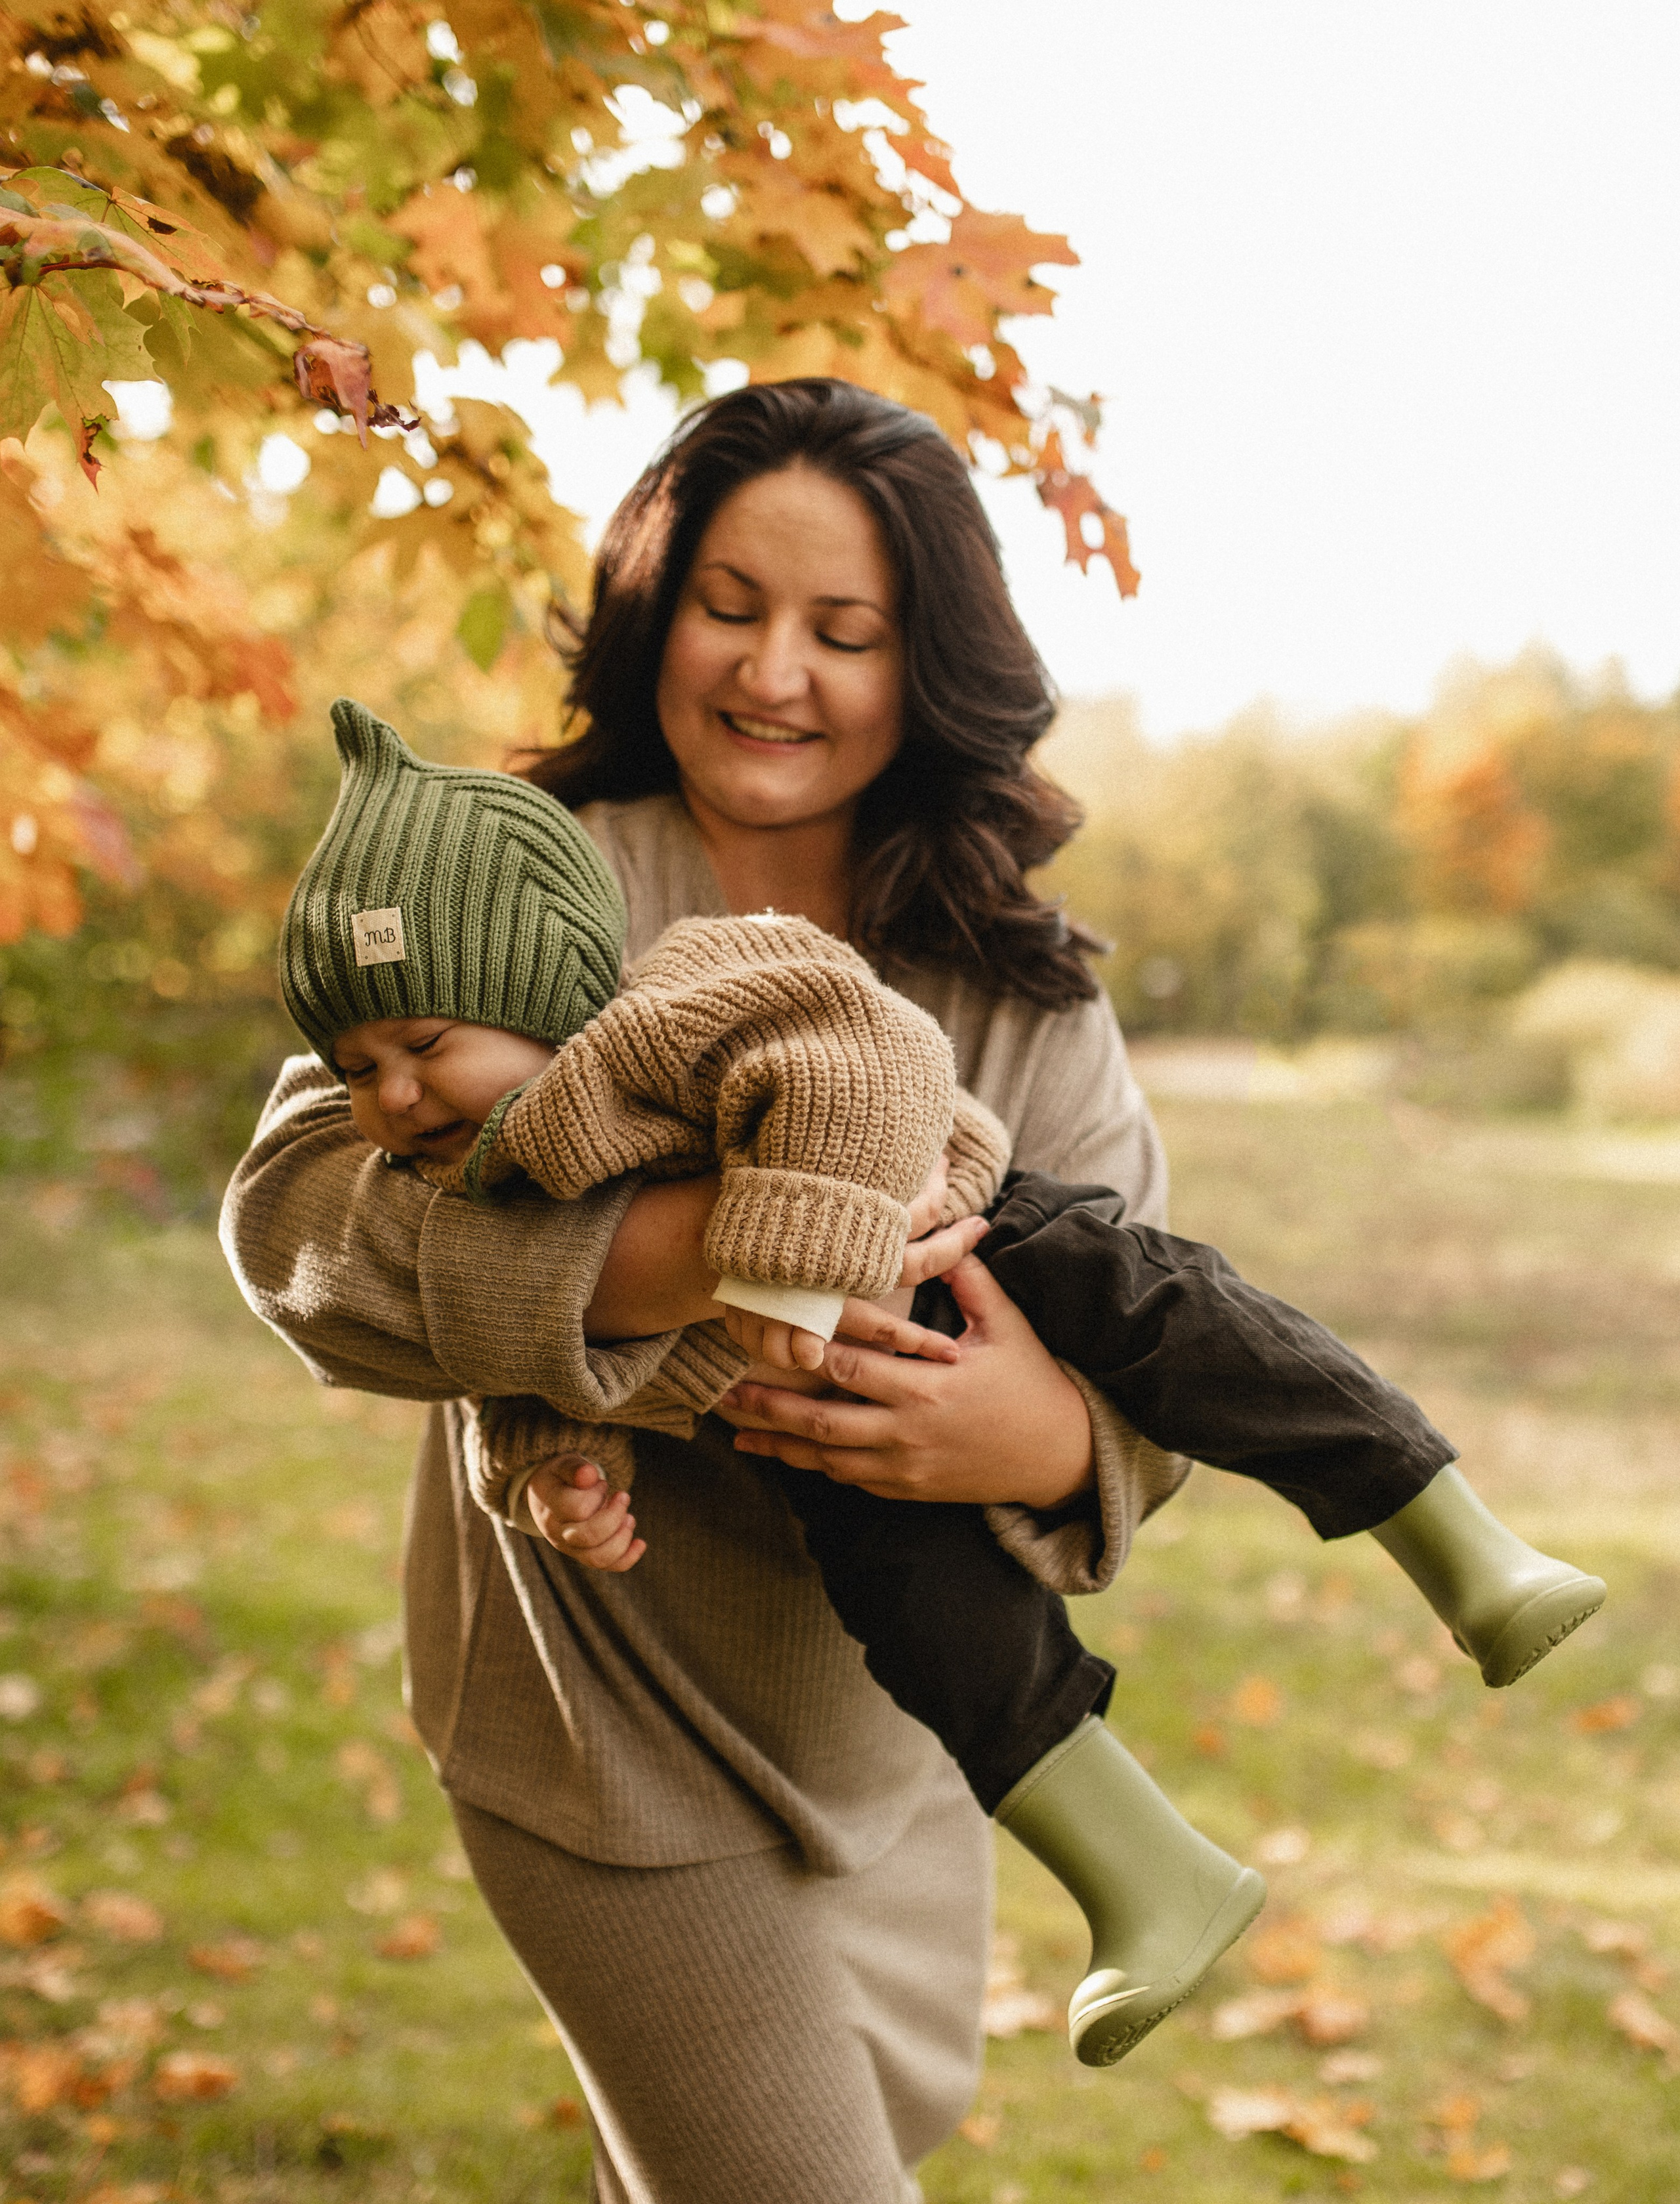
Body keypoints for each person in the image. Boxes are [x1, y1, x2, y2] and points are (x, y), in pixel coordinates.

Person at [215, 377, 1541, 2199]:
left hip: (917, 1733)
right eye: (729, 604)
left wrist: (1045, 1431)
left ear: (933, 663)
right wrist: (683, 1252)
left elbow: (1148, 1336)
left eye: (847, 630)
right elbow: (301, 1222)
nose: (777, 671)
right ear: (648, 606)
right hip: (605, 1730)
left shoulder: (1022, 977)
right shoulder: (510, 870)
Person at [272, 693, 1606, 2069]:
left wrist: (790, 1267)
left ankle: (1455, 1537)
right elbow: (518, 1354)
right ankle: (1145, 1872)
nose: (392, 1100)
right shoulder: (481, 1178)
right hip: (822, 1432)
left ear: (533, 987)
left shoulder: (678, 991)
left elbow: (866, 1052)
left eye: (424, 1046)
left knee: (1177, 1318)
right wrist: (552, 1472)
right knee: (926, 1617)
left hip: (988, 1244)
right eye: (355, 1068)